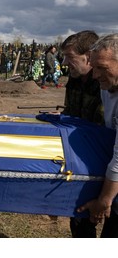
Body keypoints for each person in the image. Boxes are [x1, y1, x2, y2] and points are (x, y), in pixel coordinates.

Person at [60, 30, 103, 237]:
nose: (65, 63)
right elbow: (71, 110)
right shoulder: (75, 78)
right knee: (79, 219)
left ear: (88, 56)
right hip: (79, 157)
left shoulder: (105, 82)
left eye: (70, 57)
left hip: (104, 157)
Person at [77, 33, 118, 237]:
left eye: (102, 67)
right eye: (94, 67)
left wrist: (104, 201)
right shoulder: (107, 86)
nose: (95, 75)